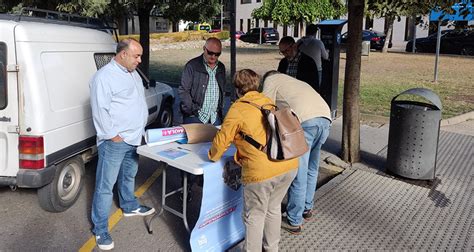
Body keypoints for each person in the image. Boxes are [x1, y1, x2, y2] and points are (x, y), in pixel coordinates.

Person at [208, 69, 298, 251]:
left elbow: (221, 141)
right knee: (273, 209)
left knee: (255, 216)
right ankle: (272, 248)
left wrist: (212, 155)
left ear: (237, 89)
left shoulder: (238, 109)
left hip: (261, 172)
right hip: (289, 164)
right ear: (257, 85)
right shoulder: (268, 102)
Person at [89, 38, 155, 250]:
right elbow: (100, 111)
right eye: (136, 56)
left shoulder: (133, 73)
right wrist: (113, 136)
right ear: (122, 54)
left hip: (134, 138)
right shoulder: (103, 77)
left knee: (129, 175)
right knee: (104, 187)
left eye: (140, 56)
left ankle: (129, 205)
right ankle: (100, 229)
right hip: (115, 141)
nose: (140, 60)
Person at [260, 71, 332, 235]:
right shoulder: (295, 82)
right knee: (312, 168)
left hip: (306, 122)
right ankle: (307, 208)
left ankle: (294, 220)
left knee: (298, 172)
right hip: (325, 118)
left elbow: (265, 107)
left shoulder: (271, 79)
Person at [178, 37, 226, 126]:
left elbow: (222, 91)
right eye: (210, 53)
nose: (213, 56)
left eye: (217, 54)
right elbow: (183, 90)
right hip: (195, 117)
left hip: (215, 118)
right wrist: (192, 110)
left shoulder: (221, 67)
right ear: (204, 49)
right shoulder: (192, 66)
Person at [297, 24, 329, 90]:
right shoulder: (319, 43)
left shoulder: (299, 42)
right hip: (316, 70)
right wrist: (327, 51)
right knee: (315, 89)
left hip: (301, 69)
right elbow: (325, 57)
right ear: (315, 32)